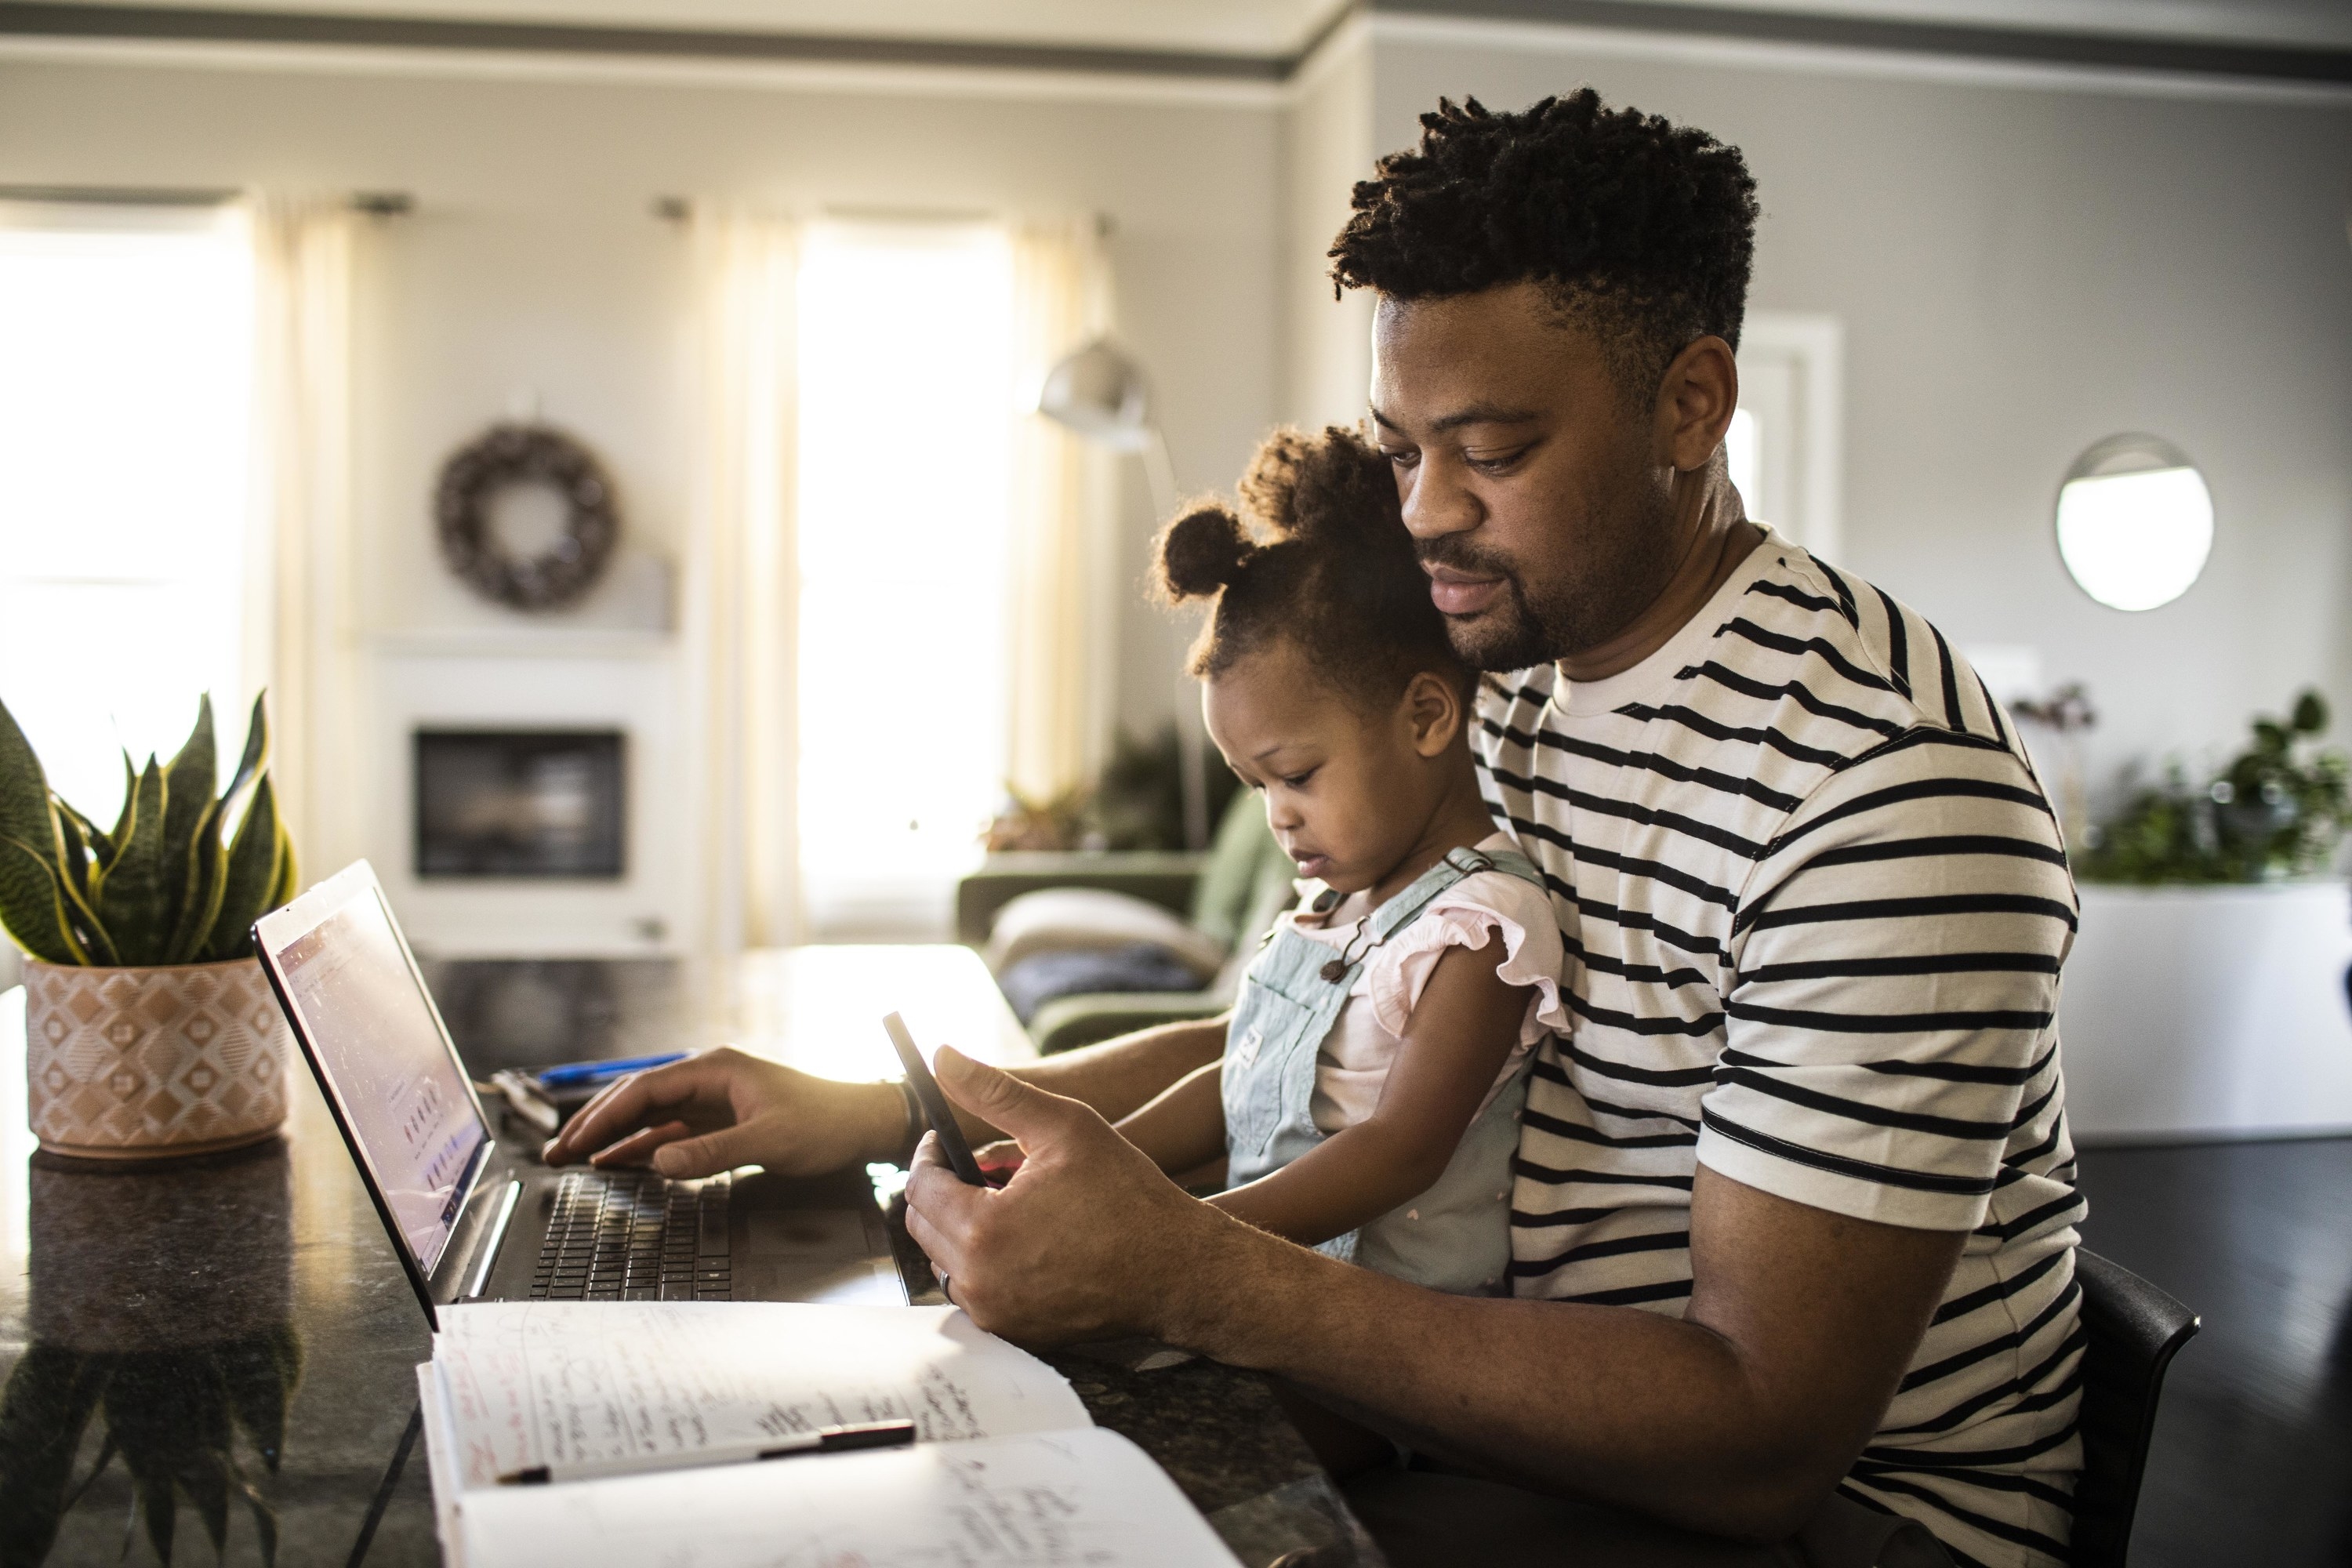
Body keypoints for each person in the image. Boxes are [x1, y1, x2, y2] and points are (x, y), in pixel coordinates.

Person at [546, 91, 2082, 1568]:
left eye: (1491, 452)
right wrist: (903, 1115)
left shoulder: (1880, 785)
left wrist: (1191, 1269)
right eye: (1406, 449)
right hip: (1487, 1419)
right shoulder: (1515, 674)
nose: (1423, 512)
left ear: (1691, 401)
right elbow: (1332, 1027)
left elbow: (1758, 1438)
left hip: (1826, 1523)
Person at [1075, 426, 1566, 1295]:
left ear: (1425, 717)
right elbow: (1240, 1076)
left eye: (1296, 774)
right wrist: (1090, 1161)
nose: (1279, 816)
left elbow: (1399, 1151)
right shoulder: (1334, 901)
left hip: (1381, 1338)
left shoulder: (1482, 924)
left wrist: (1169, 1236)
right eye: (1255, 785)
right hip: (1261, 1287)